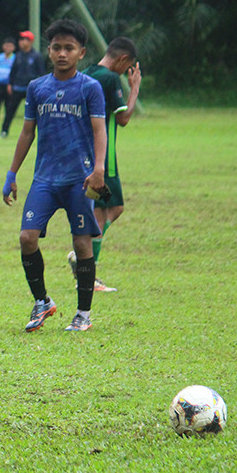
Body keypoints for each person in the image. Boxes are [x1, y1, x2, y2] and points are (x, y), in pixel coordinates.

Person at [2, 19, 108, 333]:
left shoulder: (90, 88)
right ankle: (42, 302)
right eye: (57, 48)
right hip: (45, 178)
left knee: (82, 242)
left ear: (81, 53)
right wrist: (11, 173)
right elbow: (26, 132)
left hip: (79, 179)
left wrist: (98, 168)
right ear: (49, 51)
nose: (62, 53)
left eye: (69, 48)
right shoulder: (38, 88)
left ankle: (83, 314)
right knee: (26, 238)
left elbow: (99, 129)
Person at [68, 37, 143, 292]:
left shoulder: (86, 73)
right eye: (128, 66)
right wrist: (134, 89)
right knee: (101, 213)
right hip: (103, 160)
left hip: (83, 155)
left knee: (115, 207)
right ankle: (87, 271)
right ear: (122, 60)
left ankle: (82, 256)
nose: (126, 71)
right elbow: (122, 118)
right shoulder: (110, 78)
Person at [3, 30, 46, 137]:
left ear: (30, 41)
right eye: (21, 39)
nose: (21, 42)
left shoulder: (36, 56)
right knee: (10, 110)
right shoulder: (18, 55)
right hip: (18, 87)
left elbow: (41, 73)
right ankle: (4, 130)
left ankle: (41, 132)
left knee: (36, 112)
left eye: (24, 40)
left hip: (31, 89)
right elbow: (13, 71)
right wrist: (10, 84)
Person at [0, 37, 17, 136]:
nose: (8, 48)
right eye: (6, 45)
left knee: (8, 108)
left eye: (10, 46)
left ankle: (4, 130)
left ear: (13, 48)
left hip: (9, 86)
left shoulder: (15, 58)